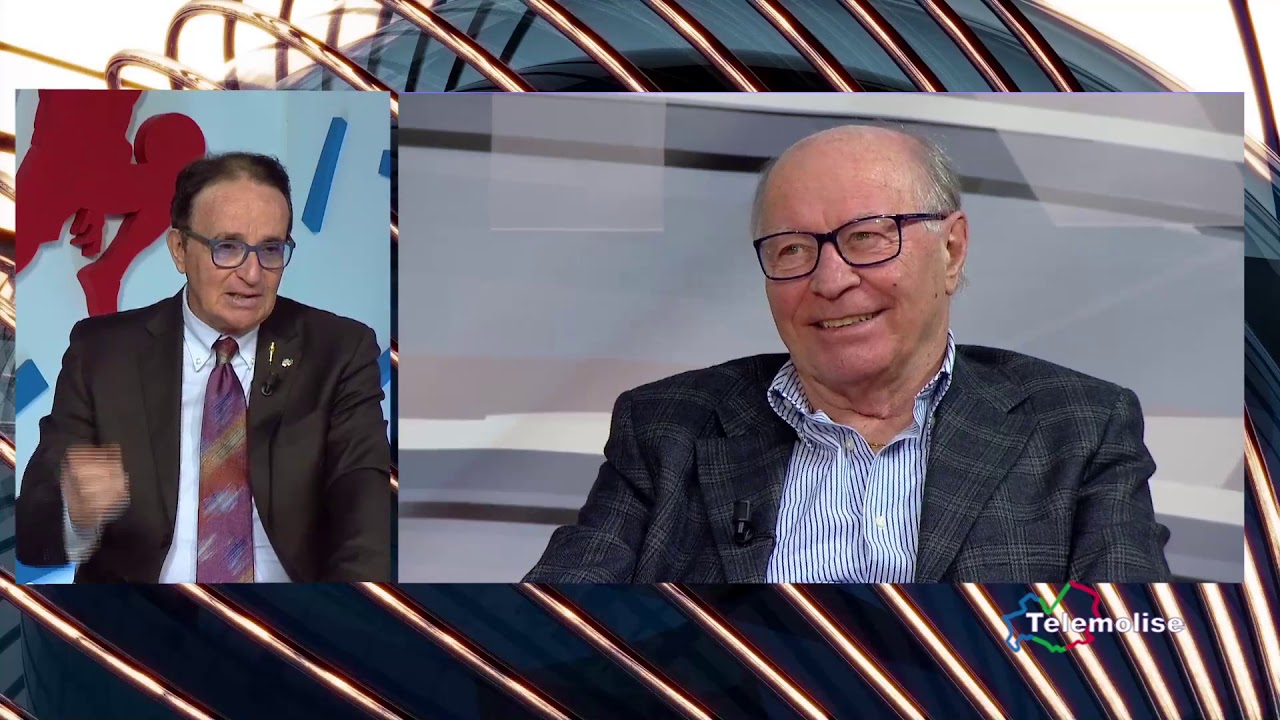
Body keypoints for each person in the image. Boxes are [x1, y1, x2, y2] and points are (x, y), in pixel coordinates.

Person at [525, 126, 1172, 584]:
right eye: (792, 249)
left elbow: (1124, 656)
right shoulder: (668, 428)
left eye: (868, 237)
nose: (830, 280)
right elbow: (546, 637)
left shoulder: (1078, 426)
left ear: (951, 250)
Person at [16, 151, 392, 583]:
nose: (252, 274)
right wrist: (74, 511)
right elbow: (31, 534)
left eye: (271, 249)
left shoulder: (338, 351)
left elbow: (365, 522)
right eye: (227, 247)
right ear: (180, 249)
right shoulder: (102, 353)